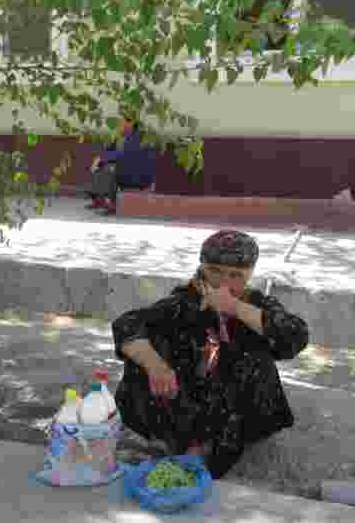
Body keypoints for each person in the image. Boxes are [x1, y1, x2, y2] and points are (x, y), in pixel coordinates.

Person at [111, 229, 309, 478]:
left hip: (237, 405)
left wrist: (235, 308)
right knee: (146, 344)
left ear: (250, 274)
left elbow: (295, 335)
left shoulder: (257, 303)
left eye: (235, 275)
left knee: (252, 354)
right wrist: (155, 365)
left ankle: (211, 446)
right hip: (194, 397)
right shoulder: (186, 299)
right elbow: (128, 324)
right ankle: (157, 434)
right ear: (202, 267)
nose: (223, 283)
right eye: (215, 271)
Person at [82, 117, 157, 216]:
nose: (119, 125)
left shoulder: (138, 137)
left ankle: (111, 204)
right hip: (126, 170)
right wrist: (100, 158)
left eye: (122, 123)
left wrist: (102, 159)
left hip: (139, 175)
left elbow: (123, 154)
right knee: (101, 166)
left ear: (131, 124)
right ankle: (98, 199)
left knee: (110, 169)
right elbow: (108, 151)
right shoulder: (121, 137)